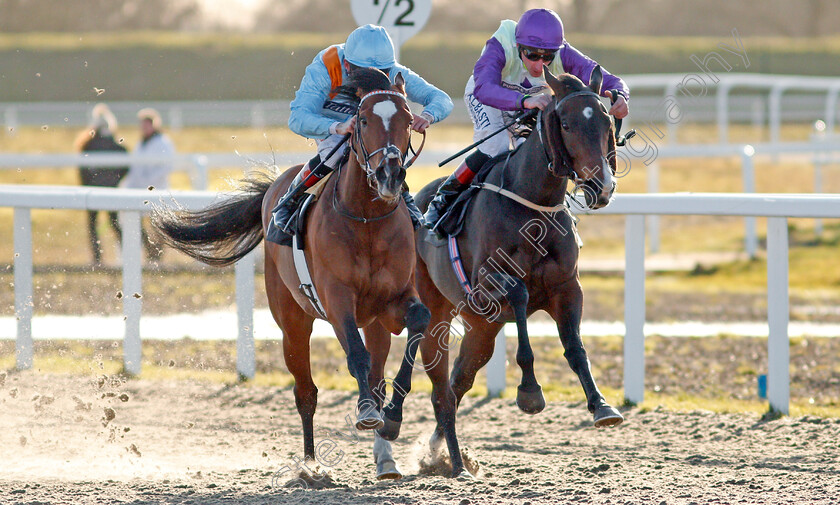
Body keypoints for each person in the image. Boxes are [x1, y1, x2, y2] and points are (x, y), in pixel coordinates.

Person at [423, 8, 631, 230]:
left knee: (536, 152)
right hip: (486, 96)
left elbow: (609, 78)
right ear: (518, 47)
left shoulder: (564, 52)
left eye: (547, 57)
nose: (539, 65)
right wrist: (523, 101)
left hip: (529, 101)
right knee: (497, 145)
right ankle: (444, 197)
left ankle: (547, 213)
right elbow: (484, 87)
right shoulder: (500, 45)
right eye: (532, 55)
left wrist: (620, 95)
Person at [268, 24, 454, 244]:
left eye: (382, 73)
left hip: (371, 122)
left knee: (388, 150)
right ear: (346, 64)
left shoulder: (392, 70)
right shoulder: (326, 67)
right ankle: (292, 197)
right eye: (365, 73)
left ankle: (403, 195)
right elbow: (298, 118)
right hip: (333, 121)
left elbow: (441, 98)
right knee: (335, 152)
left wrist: (429, 115)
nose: (375, 78)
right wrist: (337, 127)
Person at [74, 103, 129, 266]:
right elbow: (125, 167)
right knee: (115, 224)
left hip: (92, 190)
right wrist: (116, 181)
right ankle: (127, 255)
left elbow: (83, 170)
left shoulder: (88, 145)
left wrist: (86, 185)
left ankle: (97, 258)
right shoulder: (117, 147)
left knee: (93, 225)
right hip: (111, 190)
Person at [124, 108, 176, 260]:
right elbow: (135, 168)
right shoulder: (141, 144)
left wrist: (149, 182)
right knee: (137, 222)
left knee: (158, 224)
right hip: (141, 190)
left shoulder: (163, 143)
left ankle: (157, 254)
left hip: (157, 188)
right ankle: (150, 251)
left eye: (147, 125)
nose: (144, 128)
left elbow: (166, 167)